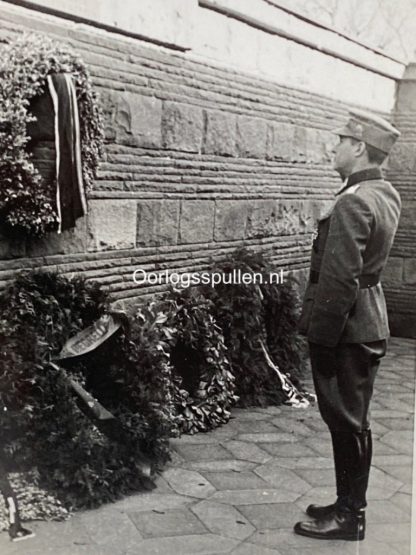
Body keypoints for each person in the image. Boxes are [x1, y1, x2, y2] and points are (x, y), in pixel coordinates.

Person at [294, 109, 402, 541]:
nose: (331, 147)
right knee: (352, 419)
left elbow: (339, 278)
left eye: (339, 140)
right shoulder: (384, 192)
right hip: (368, 320)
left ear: (358, 147)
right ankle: (346, 506)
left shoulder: (354, 200)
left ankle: (350, 516)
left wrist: (320, 336)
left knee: (346, 421)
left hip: (346, 327)